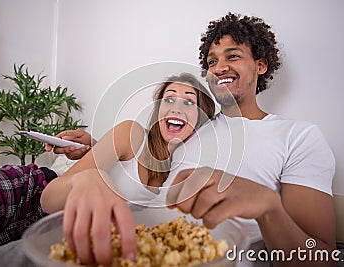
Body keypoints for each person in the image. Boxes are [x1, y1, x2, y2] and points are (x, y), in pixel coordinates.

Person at [163, 13, 336, 266]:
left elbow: (322, 258)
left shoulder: (298, 137)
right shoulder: (190, 128)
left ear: (260, 66)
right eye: (212, 61)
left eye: (232, 56)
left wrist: (269, 208)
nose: (219, 67)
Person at [40, 73, 216, 265]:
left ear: (202, 117)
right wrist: (89, 176)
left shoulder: (183, 171)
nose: (176, 108)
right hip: (30, 191)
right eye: (169, 99)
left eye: (189, 102)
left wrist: (96, 147)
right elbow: (47, 199)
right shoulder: (131, 134)